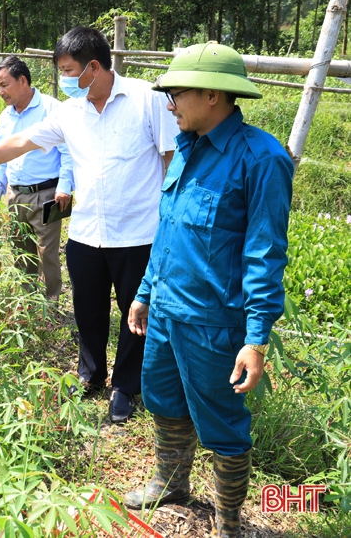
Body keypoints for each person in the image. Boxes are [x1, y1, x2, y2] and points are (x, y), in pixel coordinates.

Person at [0, 27, 178, 423]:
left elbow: (171, 161)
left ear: (93, 68)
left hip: (138, 234)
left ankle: (127, 388)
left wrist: (172, 225)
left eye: (68, 71)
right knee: (88, 309)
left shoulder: (146, 100)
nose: (63, 81)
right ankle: (92, 376)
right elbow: (21, 143)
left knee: (135, 316)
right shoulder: (70, 112)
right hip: (85, 234)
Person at [124, 42, 294, 538]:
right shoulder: (188, 147)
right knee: (162, 399)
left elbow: (265, 254)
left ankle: (230, 521)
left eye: (177, 93)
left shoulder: (261, 159)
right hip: (166, 313)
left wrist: (256, 338)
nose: (170, 103)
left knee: (222, 423)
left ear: (214, 95)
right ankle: (172, 482)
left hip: (214, 324)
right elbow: (170, 228)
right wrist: (144, 291)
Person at [0, 56, 74, 300]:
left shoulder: (52, 109)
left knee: (47, 252)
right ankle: (27, 302)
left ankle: (50, 304)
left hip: (47, 194)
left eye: (4, 85)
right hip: (14, 194)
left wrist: (65, 186)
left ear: (23, 80)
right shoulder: (6, 116)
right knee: (19, 251)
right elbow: (1, 154)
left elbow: (67, 152)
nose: (0, 92)